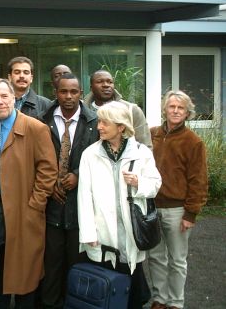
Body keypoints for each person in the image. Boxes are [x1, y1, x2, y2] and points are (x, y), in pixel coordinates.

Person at [77, 101, 161, 309]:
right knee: (105, 290)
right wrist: (88, 233)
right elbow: (84, 196)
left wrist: (138, 183)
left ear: (121, 127)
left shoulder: (141, 153)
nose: (99, 127)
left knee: (132, 289)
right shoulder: (90, 154)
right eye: (99, 122)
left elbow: (155, 184)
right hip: (102, 234)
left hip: (131, 234)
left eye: (105, 123)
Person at [0, 78, 57, 309]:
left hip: (25, 211)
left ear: (14, 97)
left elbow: (48, 170)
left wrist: (35, 205)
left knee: (27, 273)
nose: (0, 101)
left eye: (4, 96)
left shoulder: (35, 128)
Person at [40, 73, 98, 309]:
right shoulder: (42, 119)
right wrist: (51, 180)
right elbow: (35, 157)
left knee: (76, 262)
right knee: (51, 262)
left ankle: (74, 303)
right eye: (63, 91)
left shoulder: (94, 122)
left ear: (81, 93)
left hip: (80, 205)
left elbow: (98, 159)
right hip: (50, 204)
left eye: (74, 92)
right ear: (56, 92)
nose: (68, 96)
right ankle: (50, 304)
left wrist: (78, 174)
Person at [148, 90, 208, 309]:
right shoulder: (152, 133)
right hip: (152, 207)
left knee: (177, 260)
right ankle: (159, 299)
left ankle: (175, 302)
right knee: (155, 257)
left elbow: (199, 180)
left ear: (187, 112)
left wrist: (190, 213)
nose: (175, 111)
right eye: (171, 106)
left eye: (180, 108)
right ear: (165, 109)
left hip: (177, 210)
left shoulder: (193, 142)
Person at [83, 70, 152, 149]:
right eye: (100, 81)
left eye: (110, 82)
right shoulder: (82, 111)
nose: (106, 85)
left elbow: (145, 146)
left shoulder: (131, 110)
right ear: (91, 87)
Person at [0, 56, 52, 123]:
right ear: (9, 77)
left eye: (26, 72)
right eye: (17, 72)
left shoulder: (45, 104)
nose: (22, 76)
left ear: (31, 78)